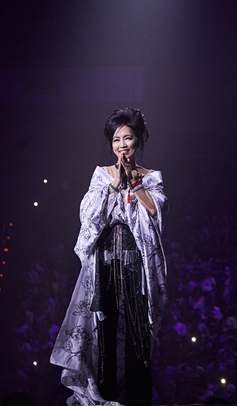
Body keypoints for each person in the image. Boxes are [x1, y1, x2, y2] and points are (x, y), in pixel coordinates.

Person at [51, 107, 168, 406]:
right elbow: (88, 216)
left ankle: (138, 399)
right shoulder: (102, 175)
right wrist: (114, 185)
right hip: (104, 264)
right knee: (105, 333)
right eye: (116, 139)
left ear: (139, 140)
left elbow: (154, 212)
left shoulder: (151, 177)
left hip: (136, 266)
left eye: (127, 138)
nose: (122, 145)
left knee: (138, 334)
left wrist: (133, 182)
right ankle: (106, 397)